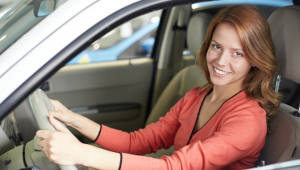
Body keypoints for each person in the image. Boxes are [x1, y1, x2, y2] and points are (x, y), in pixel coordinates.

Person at [36, 5, 280, 170]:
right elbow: (137, 142)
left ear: (254, 60)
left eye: (237, 53)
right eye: (217, 47)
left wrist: (82, 154)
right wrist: (74, 119)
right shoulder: (197, 96)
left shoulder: (248, 120)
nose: (221, 61)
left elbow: (175, 167)